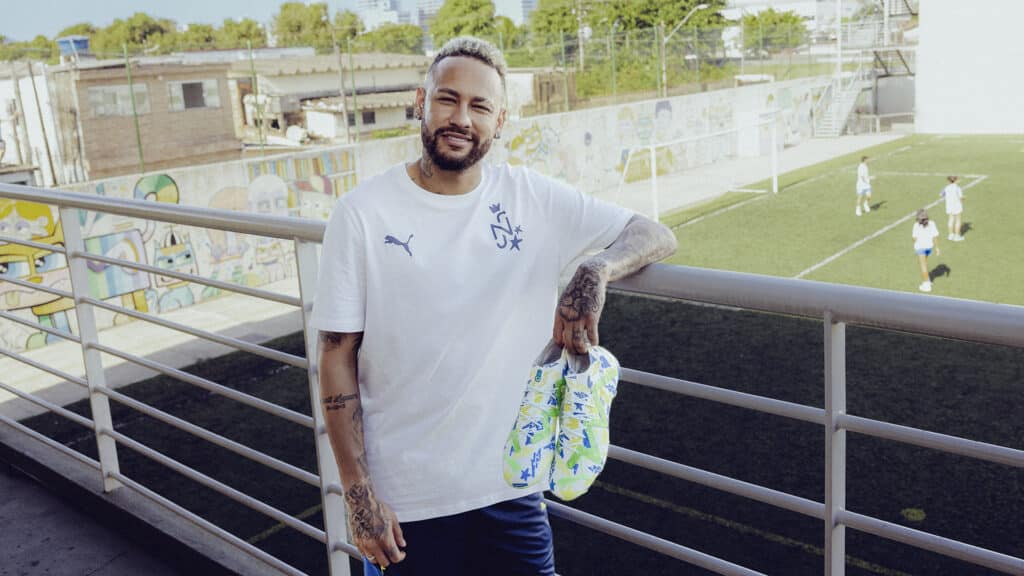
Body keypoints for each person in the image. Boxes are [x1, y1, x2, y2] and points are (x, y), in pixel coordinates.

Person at [309, 36, 677, 576]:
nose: (461, 118)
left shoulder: (532, 198)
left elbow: (653, 233)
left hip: (512, 491)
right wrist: (359, 497)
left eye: (479, 106)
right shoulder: (361, 213)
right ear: (420, 102)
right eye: (447, 99)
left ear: (499, 121)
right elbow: (335, 354)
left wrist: (595, 269)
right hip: (407, 506)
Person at [912, 209, 940, 292]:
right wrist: (937, 248)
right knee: (925, 263)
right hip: (929, 247)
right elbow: (935, 236)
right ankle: (927, 280)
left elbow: (914, 238)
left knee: (923, 266)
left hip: (920, 248)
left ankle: (926, 285)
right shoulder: (932, 223)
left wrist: (915, 244)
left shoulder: (916, 225)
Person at [942, 175, 966, 241]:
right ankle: (957, 236)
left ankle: (950, 235)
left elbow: (941, 194)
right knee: (958, 220)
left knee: (951, 219)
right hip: (957, 205)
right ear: (955, 180)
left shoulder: (946, 187)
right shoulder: (958, 188)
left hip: (949, 205)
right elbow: (961, 197)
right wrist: (964, 198)